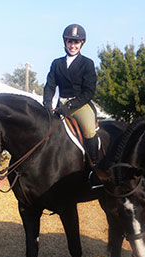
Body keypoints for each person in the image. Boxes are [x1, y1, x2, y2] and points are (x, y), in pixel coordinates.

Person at [43, 24, 102, 188]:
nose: (73, 45)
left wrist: (69, 106)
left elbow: (89, 91)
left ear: (82, 43)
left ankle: (94, 169)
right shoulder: (57, 63)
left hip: (80, 104)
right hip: (60, 104)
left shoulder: (87, 63)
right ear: (65, 42)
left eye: (76, 42)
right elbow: (49, 86)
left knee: (89, 130)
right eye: (70, 41)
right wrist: (47, 104)